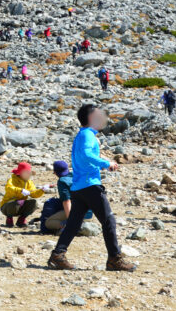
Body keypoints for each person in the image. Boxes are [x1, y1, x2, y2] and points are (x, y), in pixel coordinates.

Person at [47, 105, 135, 272]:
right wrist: (105, 163)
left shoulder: (82, 135)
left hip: (79, 186)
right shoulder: (88, 135)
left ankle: (58, 255)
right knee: (108, 221)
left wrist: (104, 160)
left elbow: (85, 156)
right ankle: (114, 259)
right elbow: (87, 156)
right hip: (90, 185)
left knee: (73, 223)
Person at [40, 160, 93, 233]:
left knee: (49, 223)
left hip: (77, 211)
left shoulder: (62, 181)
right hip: (89, 213)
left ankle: (69, 227)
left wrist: (70, 221)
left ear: (55, 172)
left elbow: (66, 201)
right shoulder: (76, 176)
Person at [0, 162, 49, 227]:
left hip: (20, 206)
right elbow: (9, 189)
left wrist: (42, 190)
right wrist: (21, 190)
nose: (29, 175)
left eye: (29, 173)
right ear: (20, 173)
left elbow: (34, 194)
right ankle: (9, 219)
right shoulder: (12, 180)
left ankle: (21, 220)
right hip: (7, 206)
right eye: (27, 173)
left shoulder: (29, 182)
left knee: (33, 203)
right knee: (15, 203)